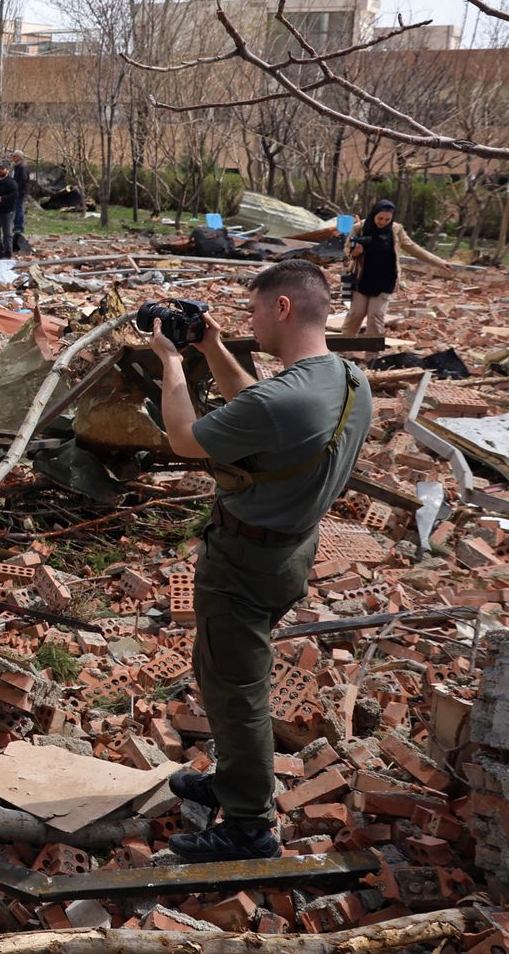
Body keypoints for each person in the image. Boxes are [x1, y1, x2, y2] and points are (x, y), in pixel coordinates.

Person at [148, 259, 371, 863]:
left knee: (235, 689)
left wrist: (172, 363)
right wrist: (214, 347)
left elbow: (184, 439)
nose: (250, 321)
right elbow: (257, 407)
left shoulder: (283, 399)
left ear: (282, 308)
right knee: (230, 673)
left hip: (244, 562)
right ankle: (233, 782)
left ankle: (248, 823)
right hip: (290, 550)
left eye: (253, 310)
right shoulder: (348, 380)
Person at [343, 198, 398, 336]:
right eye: (380, 218)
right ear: (374, 214)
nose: (383, 222)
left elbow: (415, 249)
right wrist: (355, 252)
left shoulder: (395, 230)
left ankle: (372, 350)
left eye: (387, 219)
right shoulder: (360, 228)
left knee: (375, 316)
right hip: (362, 278)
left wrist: (440, 263)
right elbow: (347, 250)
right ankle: (344, 346)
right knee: (356, 314)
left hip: (385, 280)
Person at [10, 150, 31, 248]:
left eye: (14, 156)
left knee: (19, 208)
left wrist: (16, 189)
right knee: (15, 208)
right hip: (16, 191)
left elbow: (22, 180)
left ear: (19, 157)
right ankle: (16, 226)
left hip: (19, 192)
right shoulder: (17, 166)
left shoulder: (22, 167)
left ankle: (19, 227)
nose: (12, 158)